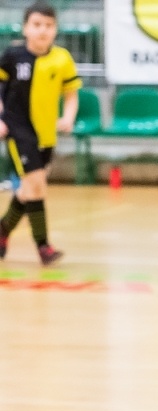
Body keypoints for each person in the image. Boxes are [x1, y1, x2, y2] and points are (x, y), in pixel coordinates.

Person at [0, 1, 79, 265]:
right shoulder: (12, 56)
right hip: (18, 128)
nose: (42, 30)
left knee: (28, 189)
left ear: (55, 30)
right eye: (36, 25)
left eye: (48, 25)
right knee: (37, 185)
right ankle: (44, 246)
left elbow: (70, 96)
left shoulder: (62, 59)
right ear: (25, 28)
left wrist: (67, 117)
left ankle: (2, 231)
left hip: (46, 133)